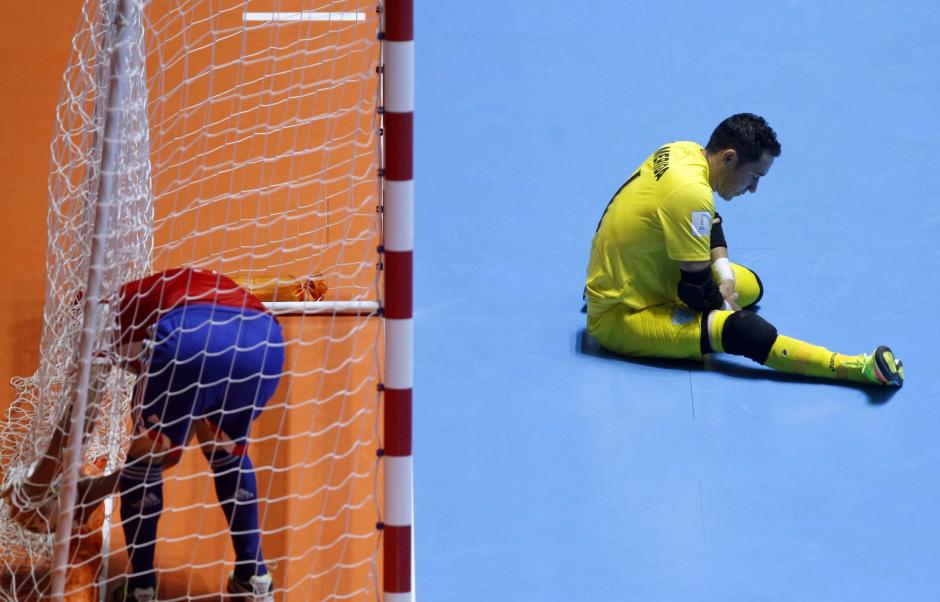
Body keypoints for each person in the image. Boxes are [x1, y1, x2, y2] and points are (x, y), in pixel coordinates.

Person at [13, 267, 285, 601]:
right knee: (228, 455)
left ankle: (141, 586)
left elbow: (81, 418)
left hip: (188, 337)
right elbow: (176, 447)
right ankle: (254, 577)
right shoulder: (153, 292)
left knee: (144, 463)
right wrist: (96, 490)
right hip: (265, 341)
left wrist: (35, 488)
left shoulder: (103, 320)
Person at [584, 113, 904, 387]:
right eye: (753, 176)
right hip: (620, 314)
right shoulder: (691, 193)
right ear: (729, 157)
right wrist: (726, 309)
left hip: (641, 271)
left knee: (749, 285)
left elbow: (711, 221)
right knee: (742, 330)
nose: (753, 189)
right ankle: (858, 368)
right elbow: (696, 291)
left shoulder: (684, 152)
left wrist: (723, 273)